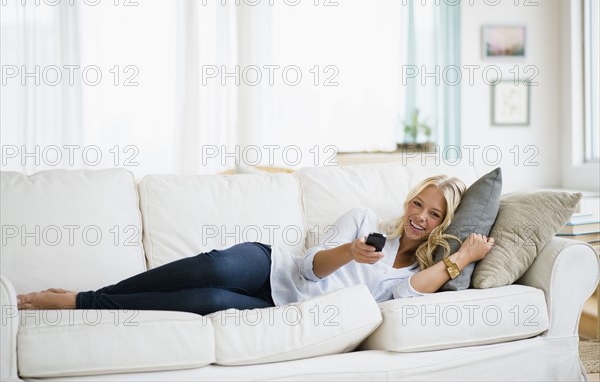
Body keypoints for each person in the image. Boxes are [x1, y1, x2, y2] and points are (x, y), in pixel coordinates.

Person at [17, 175, 494, 315]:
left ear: (441, 226)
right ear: (409, 201)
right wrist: (349, 252)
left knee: (207, 302)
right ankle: (83, 298)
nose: (420, 217)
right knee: (219, 272)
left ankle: (81, 302)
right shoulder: (365, 221)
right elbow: (309, 268)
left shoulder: (408, 276)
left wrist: (463, 258)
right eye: (419, 204)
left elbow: (411, 294)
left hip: (275, 307)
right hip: (270, 268)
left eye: (435, 215)